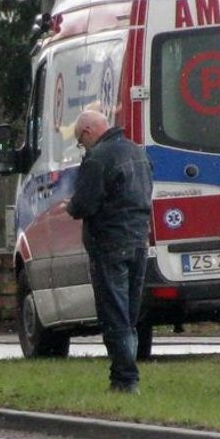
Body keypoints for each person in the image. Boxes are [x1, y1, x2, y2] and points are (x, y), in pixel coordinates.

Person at [65, 108, 153, 394]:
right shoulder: (136, 153)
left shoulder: (99, 158)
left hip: (109, 242)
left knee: (114, 315)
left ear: (88, 132)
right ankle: (125, 373)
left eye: (81, 141)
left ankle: (125, 379)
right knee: (129, 313)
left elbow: (85, 205)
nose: (83, 146)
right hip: (140, 239)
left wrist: (70, 205)